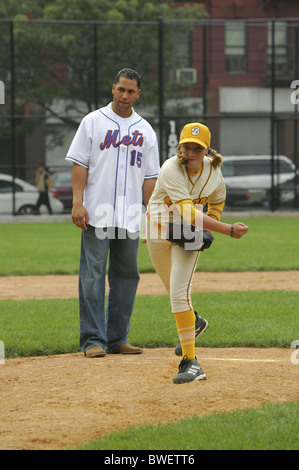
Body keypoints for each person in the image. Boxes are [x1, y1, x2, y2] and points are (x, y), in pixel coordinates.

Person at [66, 68, 160, 358]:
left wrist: (152, 215)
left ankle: (118, 337)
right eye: (121, 89)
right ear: (113, 89)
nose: (125, 95)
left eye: (131, 91)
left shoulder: (145, 130)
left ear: (138, 94)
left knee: (127, 275)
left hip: (130, 216)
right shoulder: (93, 122)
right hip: (96, 214)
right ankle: (93, 340)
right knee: (92, 275)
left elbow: (150, 178)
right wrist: (77, 202)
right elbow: (80, 164)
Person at [146, 122, 248, 384]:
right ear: (179, 147)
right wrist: (227, 229)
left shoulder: (213, 171)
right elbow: (189, 212)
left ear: (206, 151)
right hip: (157, 231)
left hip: (188, 236)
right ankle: (195, 323)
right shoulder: (170, 168)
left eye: (197, 148)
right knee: (172, 289)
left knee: (179, 295)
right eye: (187, 147)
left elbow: (217, 199)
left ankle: (190, 362)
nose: (191, 152)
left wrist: (212, 223)